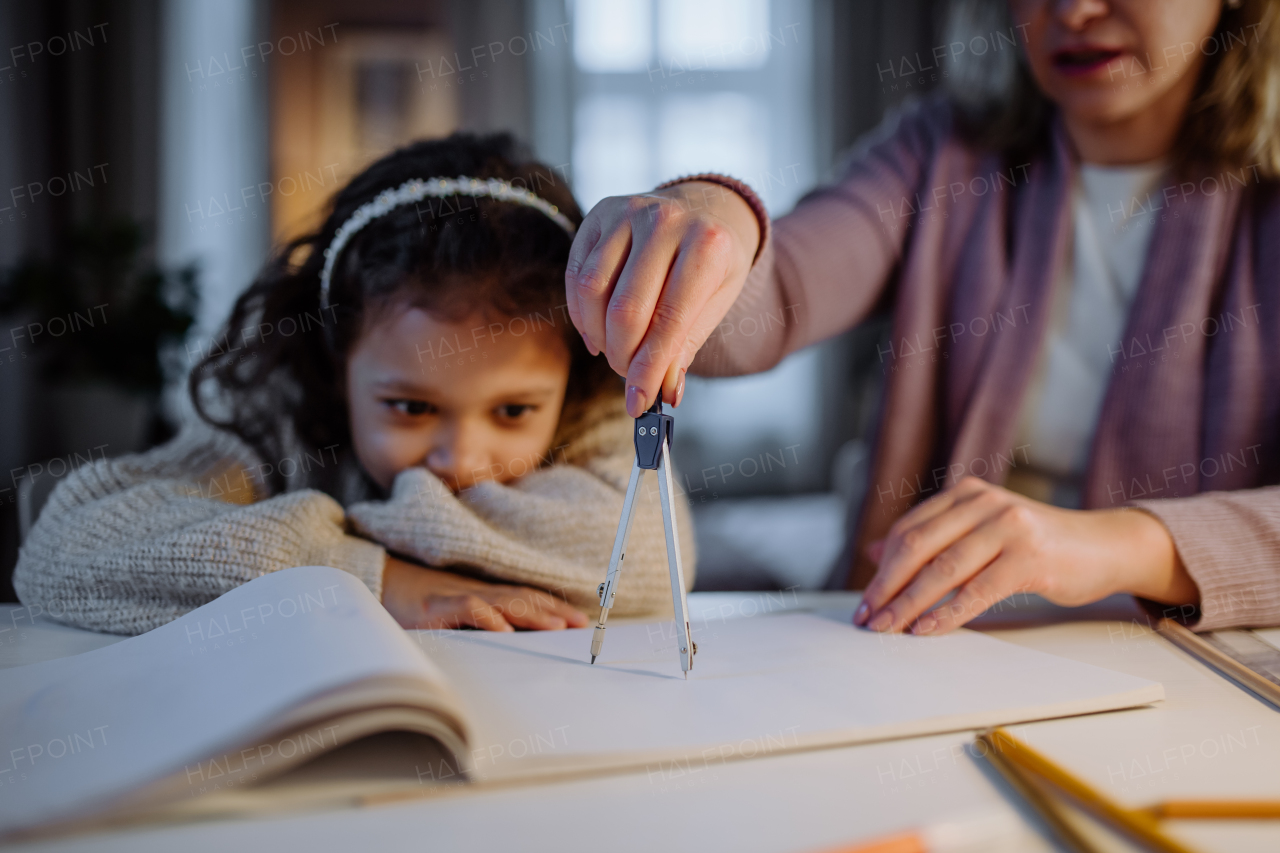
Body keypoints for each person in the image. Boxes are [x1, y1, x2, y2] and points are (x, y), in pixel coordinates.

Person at [564, 0, 1280, 633]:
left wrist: (1120, 544)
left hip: (1181, 673)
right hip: (915, 653)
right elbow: (774, 293)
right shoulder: (940, 155)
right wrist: (711, 220)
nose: (1075, 9)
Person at [14, 133, 694, 635]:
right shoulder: (274, 422)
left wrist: (285, 546)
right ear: (336, 361)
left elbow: (656, 562)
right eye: (408, 406)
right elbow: (65, 545)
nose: (459, 458)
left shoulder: (590, 409)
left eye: (514, 410)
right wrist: (375, 577)